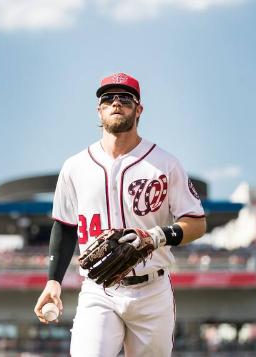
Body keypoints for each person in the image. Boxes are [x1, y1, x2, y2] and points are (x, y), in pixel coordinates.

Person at [33, 72, 207, 356]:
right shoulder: (75, 166)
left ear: (139, 109)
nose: (116, 103)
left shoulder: (164, 163)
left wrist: (157, 236)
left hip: (152, 288)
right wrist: (53, 281)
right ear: (99, 110)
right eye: (108, 98)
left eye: (125, 98)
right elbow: (65, 226)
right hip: (98, 288)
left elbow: (197, 223)